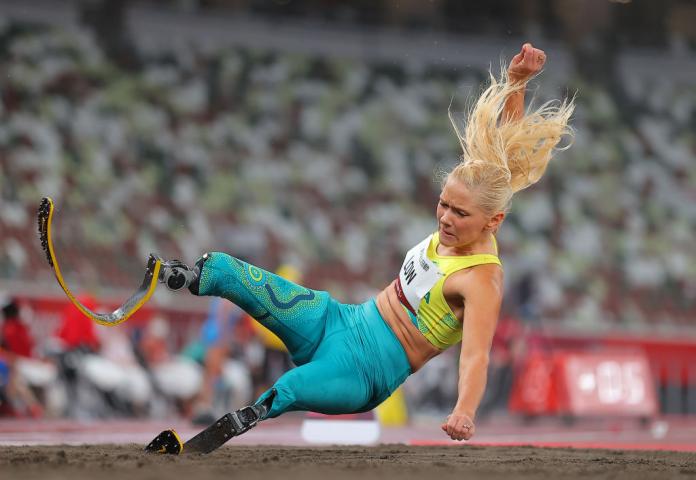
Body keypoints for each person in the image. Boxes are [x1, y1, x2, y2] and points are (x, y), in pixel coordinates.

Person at [153, 43, 574, 448]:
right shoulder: (475, 207)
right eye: (443, 205)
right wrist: (516, 83)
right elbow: (502, 160)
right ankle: (175, 275)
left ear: (493, 222)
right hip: (338, 320)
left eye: (459, 214)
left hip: (364, 371)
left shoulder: (482, 279)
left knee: (286, 388)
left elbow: (476, 356)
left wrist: (465, 410)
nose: (445, 218)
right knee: (227, 270)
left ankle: (217, 435)